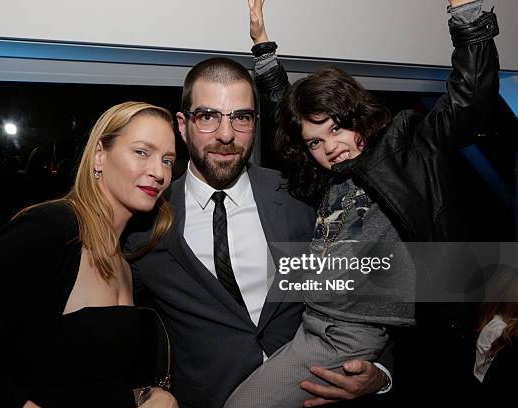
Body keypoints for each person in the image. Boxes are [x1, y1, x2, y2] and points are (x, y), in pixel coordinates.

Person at [224, 0, 500, 406]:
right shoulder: (329, 176)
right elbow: (287, 110)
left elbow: (469, 96)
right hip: (311, 325)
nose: (330, 147)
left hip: (347, 336)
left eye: (337, 128)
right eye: (316, 142)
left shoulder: (406, 150)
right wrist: (263, 48)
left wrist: (466, 12)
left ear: (357, 116)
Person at [125, 57, 392, 408]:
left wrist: (379, 372)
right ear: (183, 124)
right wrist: (141, 391)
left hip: (320, 395)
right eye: (208, 116)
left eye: (241, 117)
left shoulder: (301, 194)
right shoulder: (144, 222)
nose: (226, 135)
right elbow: (107, 332)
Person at [0, 102, 179, 408]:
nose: (158, 172)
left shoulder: (124, 261)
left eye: (168, 160)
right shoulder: (49, 230)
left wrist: (146, 395)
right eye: (142, 152)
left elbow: (90, 382)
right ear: (100, 155)